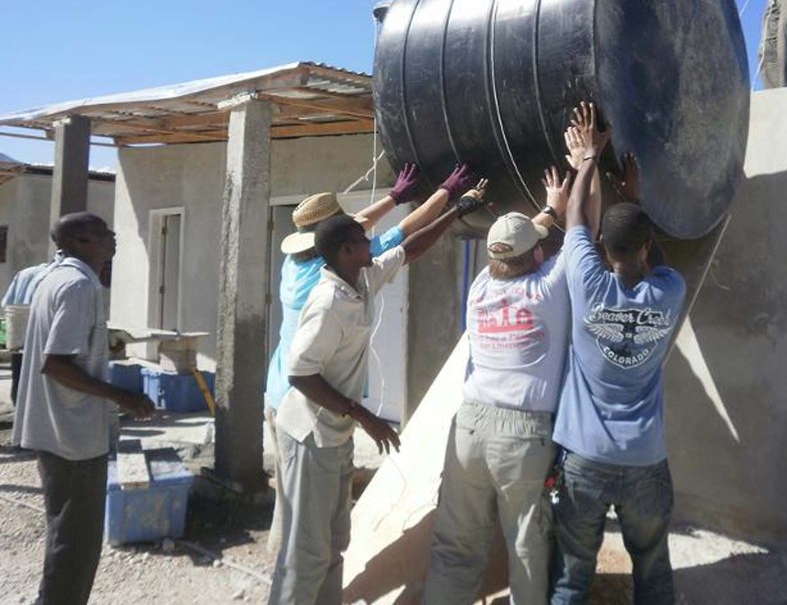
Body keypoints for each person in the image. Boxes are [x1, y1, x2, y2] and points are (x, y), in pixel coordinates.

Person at [268, 180, 488, 605]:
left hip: (334, 434)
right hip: (308, 436)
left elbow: (411, 247)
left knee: (334, 543)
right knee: (307, 553)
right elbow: (299, 373)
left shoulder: (361, 277)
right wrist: (364, 416)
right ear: (346, 252)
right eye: (361, 239)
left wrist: (457, 211)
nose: (371, 240)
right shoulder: (328, 301)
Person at [550, 103, 686, 605]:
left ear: (603, 245)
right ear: (648, 246)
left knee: (571, 574)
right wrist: (636, 202)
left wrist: (587, 158)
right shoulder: (669, 293)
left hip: (584, 457)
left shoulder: (587, 283)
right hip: (646, 459)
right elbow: (659, 261)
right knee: (652, 570)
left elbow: (572, 220)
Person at [423, 166, 575, 605]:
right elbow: (582, 234)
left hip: (468, 428)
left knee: (455, 544)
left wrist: (547, 211)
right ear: (540, 256)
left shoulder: (481, 285)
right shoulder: (548, 289)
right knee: (527, 547)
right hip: (523, 437)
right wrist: (579, 173)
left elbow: (518, 245)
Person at [12, 213, 155, 605]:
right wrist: (121, 396)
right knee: (75, 546)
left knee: (66, 537)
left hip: (56, 431)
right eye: (106, 233)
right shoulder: (77, 285)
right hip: (71, 436)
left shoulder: (55, 279)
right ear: (81, 240)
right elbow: (55, 363)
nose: (113, 239)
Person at [2, 250, 64, 405]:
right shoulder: (67, 277)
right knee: (43, 396)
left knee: (20, 391)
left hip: (19, 340)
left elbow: (8, 306)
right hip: (47, 344)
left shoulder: (25, 274)